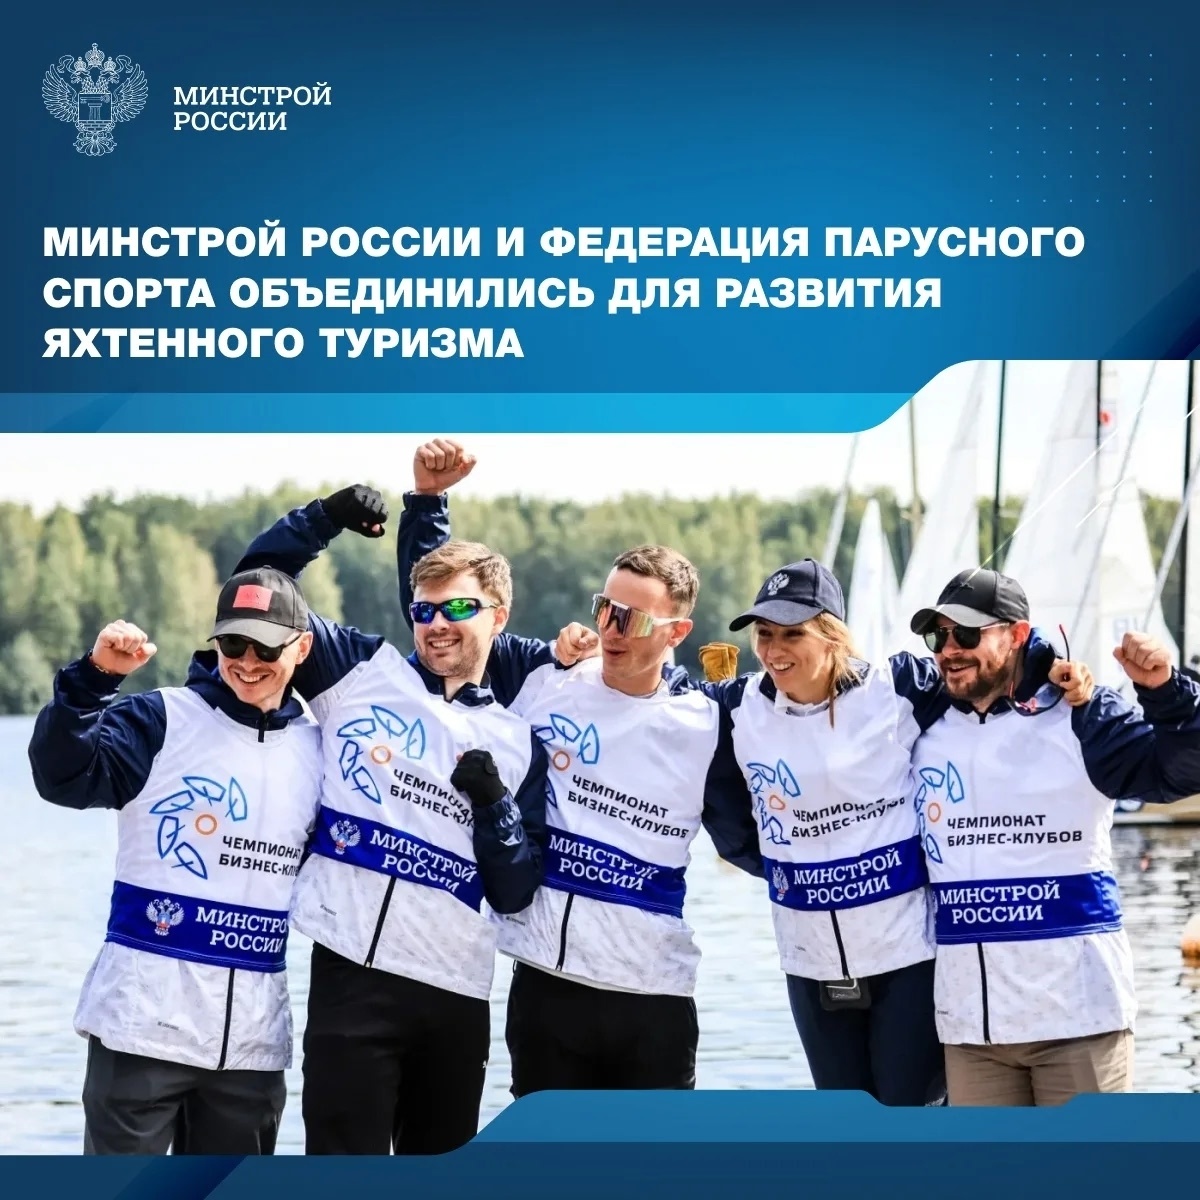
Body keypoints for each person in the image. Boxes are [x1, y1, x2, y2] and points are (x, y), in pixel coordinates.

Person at [643, 558, 1093, 1107]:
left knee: (909, 1125)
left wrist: (1052, 664)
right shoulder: (738, 707)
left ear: (831, 635)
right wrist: (778, 865)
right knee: (844, 1126)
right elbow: (658, 705)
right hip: (809, 962)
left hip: (906, 959)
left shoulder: (896, 689)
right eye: (764, 634)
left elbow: (987, 665)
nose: (774, 650)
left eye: (792, 634)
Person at [397, 440, 762, 1097]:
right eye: (604, 608)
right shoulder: (545, 676)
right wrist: (428, 502)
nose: (611, 627)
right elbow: (447, 612)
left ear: (676, 632)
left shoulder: (706, 720)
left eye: (631, 617)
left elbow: (760, 824)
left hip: (652, 996)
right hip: (546, 988)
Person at [233, 485, 555, 1155]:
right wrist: (322, 519)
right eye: (424, 610)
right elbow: (256, 590)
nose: (437, 625)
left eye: (458, 608)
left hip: (456, 994)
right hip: (352, 976)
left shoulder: (519, 739)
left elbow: (516, 892)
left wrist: (494, 806)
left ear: (499, 616)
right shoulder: (360, 672)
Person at [26, 568, 323, 1155]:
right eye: (233, 643)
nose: (248, 661)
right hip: (139, 1033)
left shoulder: (319, 747)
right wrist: (93, 681)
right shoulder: (160, 719)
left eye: (266, 647)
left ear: (303, 647)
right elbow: (61, 777)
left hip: (250, 1050)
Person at [907, 568, 1200, 1105]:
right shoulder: (921, 724)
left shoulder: (1083, 714)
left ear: (1017, 635)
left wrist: (1165, 691)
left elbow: (1183, 771)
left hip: (1080, 1020)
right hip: (973, 1030)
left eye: (966, 634)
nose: (949, 650)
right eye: (938, 636)